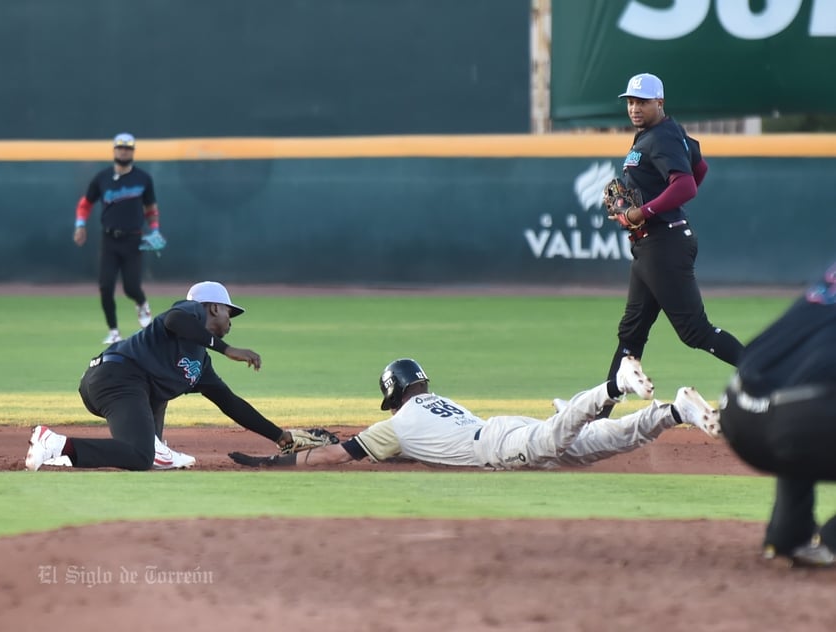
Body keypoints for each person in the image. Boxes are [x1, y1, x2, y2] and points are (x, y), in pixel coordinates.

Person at [228, 356, 721, 471]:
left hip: (499, 446)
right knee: (601, 443)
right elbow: (414, 451)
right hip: (500, 428)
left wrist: (277, 463)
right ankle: (674, 411)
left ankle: (614, 384)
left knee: (558, 439)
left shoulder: (395, 425)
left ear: (392, 394)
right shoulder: (431, 408)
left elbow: (340, 455)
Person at [25, 281, 296, 471]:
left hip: (123, 385)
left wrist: (280, 436)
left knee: (147, 444)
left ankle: (155, 449)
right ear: (213, 307)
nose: (231, 320)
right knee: (142, 457)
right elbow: (173, 321)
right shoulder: (190, 311)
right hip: (117, 377)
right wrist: (227, 350)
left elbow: (230, 402)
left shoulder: (200, 361)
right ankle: (57, 444)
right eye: (229, 311)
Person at [600, 72, 743, 416]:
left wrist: (644, 211)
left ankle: (765, 374)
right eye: (631, 101)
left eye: (642, 102)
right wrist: (649, 210)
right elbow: (700, 166)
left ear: (659, 103)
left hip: (664, 244)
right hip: (653, 245)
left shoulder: (660, 138)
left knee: (696, 332)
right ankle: (597, 415)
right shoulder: (665, 132)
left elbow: (687, 186)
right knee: (631, 334)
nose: (634, 108)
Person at [719, 261, 836, 567]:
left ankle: (788, 535)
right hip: (799, 424)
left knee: (806, 401)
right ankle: (831, 544)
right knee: (809, 408)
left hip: (736, 412)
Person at [73, 132, 167, 344]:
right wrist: (80, 225)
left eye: (128, 148)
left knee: (131, 287)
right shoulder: (102, 178)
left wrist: (155, 229)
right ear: (114, 150)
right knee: (106, 286)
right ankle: (114, 331)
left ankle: (142, 303)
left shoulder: (143, 178)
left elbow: (150, 207)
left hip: (133, 239)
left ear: (132, 151)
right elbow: (85, 203)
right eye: (120, 147)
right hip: (109, 239)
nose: (124, 151)